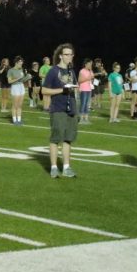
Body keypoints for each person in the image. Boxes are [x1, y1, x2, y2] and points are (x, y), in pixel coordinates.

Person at [41, 44, 78, 179]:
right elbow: (44, 90)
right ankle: (54, 167)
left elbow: (73, 89)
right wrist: (62, 90)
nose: (69, 57)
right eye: (67, 54)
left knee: (68, 139)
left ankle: (67, 167)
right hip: (57, 108)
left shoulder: (71, 71)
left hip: (71, 108)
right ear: (61, 56)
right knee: (56, 138)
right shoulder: (53, 71)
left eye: (71, 54)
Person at [7, 56, 28, 125]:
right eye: (20, 63)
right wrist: (19, 78)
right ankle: (14, 120)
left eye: (22, 63)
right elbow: (9, 81)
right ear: (16, 63)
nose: (21, 64)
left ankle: (19, 120)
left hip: (21, 86)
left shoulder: (21, 69)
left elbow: (22, 80)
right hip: (15, 87)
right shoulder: (11, 70)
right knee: (15, 105)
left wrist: (27, 77)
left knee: (20, 105)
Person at [77, 58, 94, 124]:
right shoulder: (82, 71)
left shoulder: (90, 71)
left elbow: (92, 78)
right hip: (83, 89)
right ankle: (81, 119)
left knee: (87, 105)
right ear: (85, 64)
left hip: (89, 89)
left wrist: (91, 74)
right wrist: (87, 79)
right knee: (83, 104)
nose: (90, 65)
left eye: (91, 64)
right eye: (89, 64)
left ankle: (86, 119)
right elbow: (79, 80)